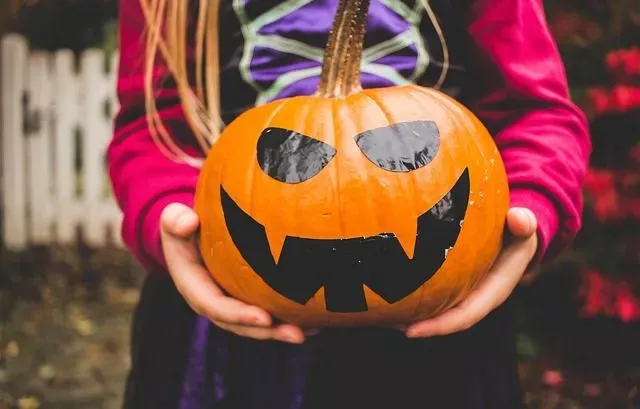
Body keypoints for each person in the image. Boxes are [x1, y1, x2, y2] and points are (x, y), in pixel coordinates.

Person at [107, 0, 591, 407]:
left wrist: (530, 206)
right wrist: (167, 215)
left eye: (403, 150)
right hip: (220, 321)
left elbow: (535, 111)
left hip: (442, 324)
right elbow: (152, 125)